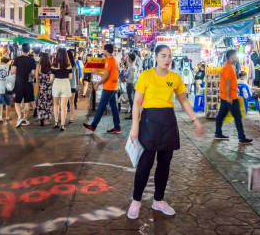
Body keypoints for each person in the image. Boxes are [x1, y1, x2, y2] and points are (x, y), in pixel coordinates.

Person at [127, 45, 204, 219]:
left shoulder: (175, 78)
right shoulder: (146, 76)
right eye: (163, 56)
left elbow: (183, 100)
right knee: (145, 164)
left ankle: (158, 200)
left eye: (169, 56)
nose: (167, 59)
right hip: (149, 122)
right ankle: (136, 201)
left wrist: (195, 120)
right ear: (155, 57)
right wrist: (134, 126)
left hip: (168, 122)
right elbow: (137, 102)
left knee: (164, 164)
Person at [215, 50, 253, 143]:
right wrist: (229, 97)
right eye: (236, 56)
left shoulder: (227, 67)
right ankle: (241, 137)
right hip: (230, 97)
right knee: (237, 117)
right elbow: (227, 83)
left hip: (225, 96)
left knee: (221, 116)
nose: (237, 58)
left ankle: (218, 133)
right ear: (231, 57)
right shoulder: (228, 68)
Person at [84, 43, 121, 134]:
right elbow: (108, 74)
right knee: (114, 108)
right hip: (113, 87)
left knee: (101, 107)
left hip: (109, 87)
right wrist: (97, 73)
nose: (103, 51)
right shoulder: (114, 60)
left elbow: (106, 77)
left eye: (104, 49)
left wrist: (97, 84)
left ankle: (93, 126)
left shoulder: (109, 61)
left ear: (107, 51)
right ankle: (117, 127)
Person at [11, 43, 36, 128]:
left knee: (17, 102)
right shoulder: (32, 60)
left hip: (19, 83)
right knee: (27, 102)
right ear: (29, 50)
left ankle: (19, 117)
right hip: (28, 84)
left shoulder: (17, 59)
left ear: (21, 49)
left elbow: (13, 71)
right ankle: (25, 119)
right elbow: (33, 73)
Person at [51, 47, 73, 131]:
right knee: (63, 106)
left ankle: (56, 122)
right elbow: (70, 77)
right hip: (65, 84)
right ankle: (63, 125)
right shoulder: (69, 65)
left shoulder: (54, 64)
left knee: (56, 105)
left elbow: (51, 78)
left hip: (56, 84)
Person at [36, 52, 53, 126]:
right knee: (48, 103)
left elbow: (36, 78)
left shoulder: (39, 67)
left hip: (41, 89)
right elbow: (52, 79)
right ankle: (46, 119)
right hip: (49, 88)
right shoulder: (51, 67)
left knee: (41, 103)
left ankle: (41, 117)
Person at [0, 57, 12, 123]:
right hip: (8, 87)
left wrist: (0, 82)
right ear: (7, 62)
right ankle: (7, 117)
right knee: (8, 103)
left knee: (0, 103)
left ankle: (0, 117)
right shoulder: (10, 67)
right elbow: (12, 77)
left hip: (0, 87)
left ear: (1, 61)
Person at [124, 52, 138, 120]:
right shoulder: (132, 65)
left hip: (130, 84)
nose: (127, 59)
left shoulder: (132, 67)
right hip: (133, 84)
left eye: (128, 58)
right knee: (132, 99)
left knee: (131, 99)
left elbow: (131, 77)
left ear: (131, 59)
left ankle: (133, 114)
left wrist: (125, 79)